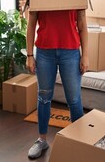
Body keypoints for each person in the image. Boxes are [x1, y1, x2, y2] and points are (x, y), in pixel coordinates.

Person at [26, 9, 89, 159]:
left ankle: (78, 141)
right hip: (44, 52)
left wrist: (85, 55)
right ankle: (42, 140)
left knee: (74, 99)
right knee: (44, 97)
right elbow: (31, 25)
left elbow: (82, 25)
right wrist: (29, 55)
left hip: (71, 52)